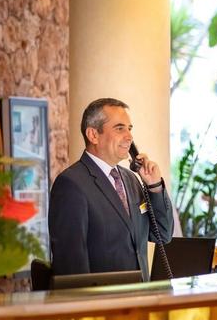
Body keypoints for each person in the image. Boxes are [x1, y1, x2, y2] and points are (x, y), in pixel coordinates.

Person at [48, 98, 174, 277]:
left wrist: (154, 186)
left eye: (130, 129)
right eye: (120, 128)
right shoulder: (71, 184)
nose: (129, 137)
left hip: (138, 298)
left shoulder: (132, 179)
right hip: (103, 301)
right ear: (93, 135)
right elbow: (71, 262)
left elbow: (162, 235)